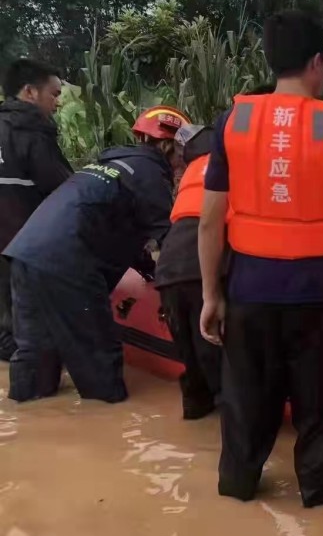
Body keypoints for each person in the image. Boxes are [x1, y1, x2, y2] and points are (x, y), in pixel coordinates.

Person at [198, 10, 323, 508]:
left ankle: (237, 490)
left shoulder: (233, 123)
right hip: (320, 296)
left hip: (249, 291)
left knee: (244, 403)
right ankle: (320, 497)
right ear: (318, 62)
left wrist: (211, 294)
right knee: (320, 408)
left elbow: (210, 222)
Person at [3, 105, 189, 403]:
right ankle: (106, 425)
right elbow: (172, 240)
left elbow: (113, 225)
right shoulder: (151, 174)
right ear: (172, 146)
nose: (185, 163)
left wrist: (145, 267)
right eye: (184, 152)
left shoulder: (112, 165)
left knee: (35, 357)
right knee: (100, 364)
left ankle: (26, 424)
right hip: (69, 265)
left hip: (26, 255)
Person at [0, 59, 74, 363]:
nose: (56, 104)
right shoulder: (32, 131)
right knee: (30, 343)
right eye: (53, 95)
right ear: (30, 92)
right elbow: (66, 191)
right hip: (25, 249)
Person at [154, 122, 223, 420]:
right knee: (217, 352)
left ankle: (194, 416)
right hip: (201, 267)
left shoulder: (191, 174)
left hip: (169, 269)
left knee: (190, 359)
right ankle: (229, 430)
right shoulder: (234, 166)